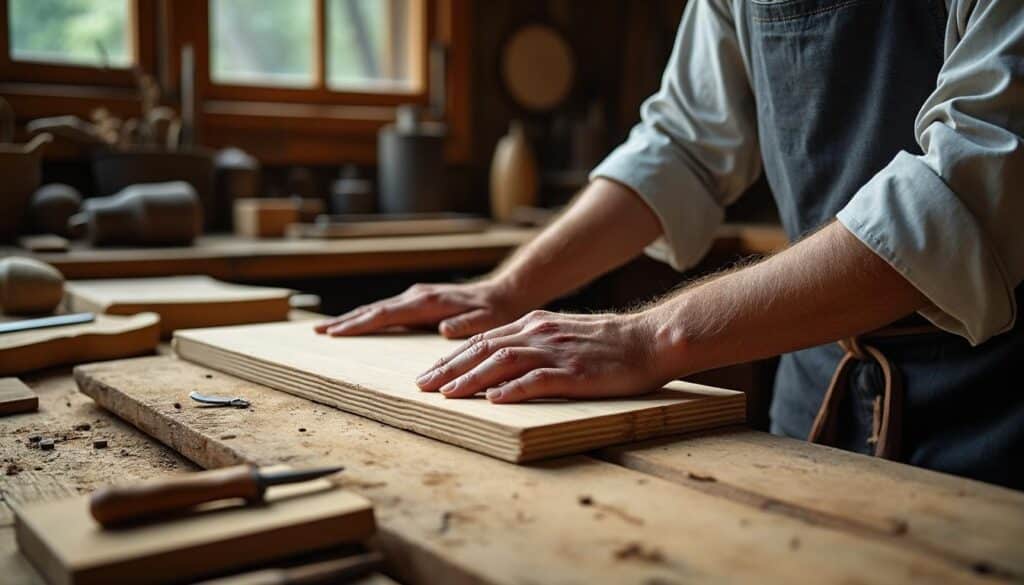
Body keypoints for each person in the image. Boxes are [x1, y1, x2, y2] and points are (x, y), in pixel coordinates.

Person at [316, 0, 1023, 489]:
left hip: (987, 405)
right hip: (820, 381)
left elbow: (964, 193)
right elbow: (682, 144)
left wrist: (647, 339)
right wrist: (503, 291)